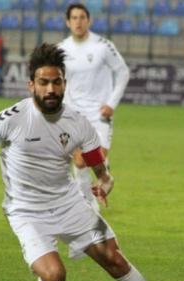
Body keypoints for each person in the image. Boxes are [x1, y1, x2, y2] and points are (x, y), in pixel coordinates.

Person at [0, 43, 184, 281]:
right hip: (27, 212)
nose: (50, 88)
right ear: (31, 85)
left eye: (56, 81)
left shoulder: (78, 123)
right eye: (43, 82)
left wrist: (104, 184)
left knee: (117, 261)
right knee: (54, 276)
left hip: (69, 205)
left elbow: (102, 173)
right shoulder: (12, 118)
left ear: (65, 83)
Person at [58, 3, 130, 210]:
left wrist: (111, 104)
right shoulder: (62, 49)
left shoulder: (102, 46)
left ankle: (105, 176)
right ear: (68, 22)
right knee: (79, 161)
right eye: (74, 18)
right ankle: (88, 207)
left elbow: (123, 72)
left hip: (100, 114)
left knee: (96, 159)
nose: (78, 22)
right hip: (73, 113)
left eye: (82, 17)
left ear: (88, 21)